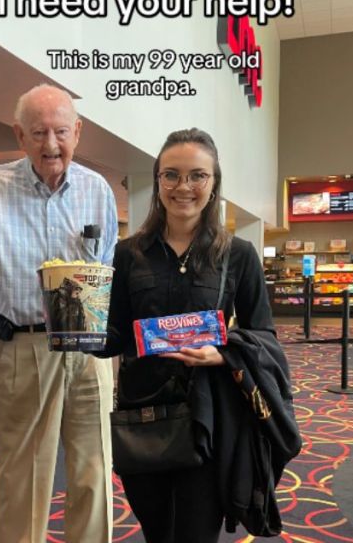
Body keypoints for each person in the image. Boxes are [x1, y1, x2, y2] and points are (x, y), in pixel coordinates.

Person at [100, 128, 300, 542]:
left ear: (213, 183)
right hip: (143, 415)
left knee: (195, 533)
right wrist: (75, 329)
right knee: (156, 530)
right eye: (171, 175)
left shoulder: (238, 254)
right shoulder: (128, 253)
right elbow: (117, 334)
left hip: (208, 414)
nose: (183, 187)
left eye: (197, 175)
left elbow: (263, 335)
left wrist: (223, 353)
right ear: (157, 182)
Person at [0, 84, 118, 543]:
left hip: (89, 349)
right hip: (22, 346)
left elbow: (110, 274)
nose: (51, 145)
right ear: (20, 135)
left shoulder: (97, 190)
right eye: (39, 133)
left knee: (94, 472)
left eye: (61, 131)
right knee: (25, 478)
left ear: (78, 132)